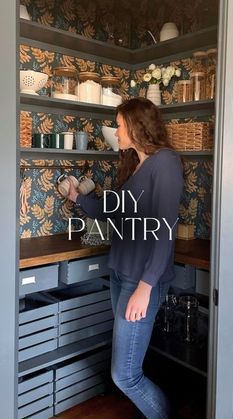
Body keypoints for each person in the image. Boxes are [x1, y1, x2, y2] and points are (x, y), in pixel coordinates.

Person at [67, 97, 184, 419]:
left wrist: (146, 287)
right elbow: (109, 209)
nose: (116, 132)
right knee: (126, 369)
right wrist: (77, 196)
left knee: (125, 375)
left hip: (141, 280)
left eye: (119, 125)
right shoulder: (139, 166)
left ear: (135, 126)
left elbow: (164, 230)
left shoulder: (166, 162)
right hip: (121, 273)